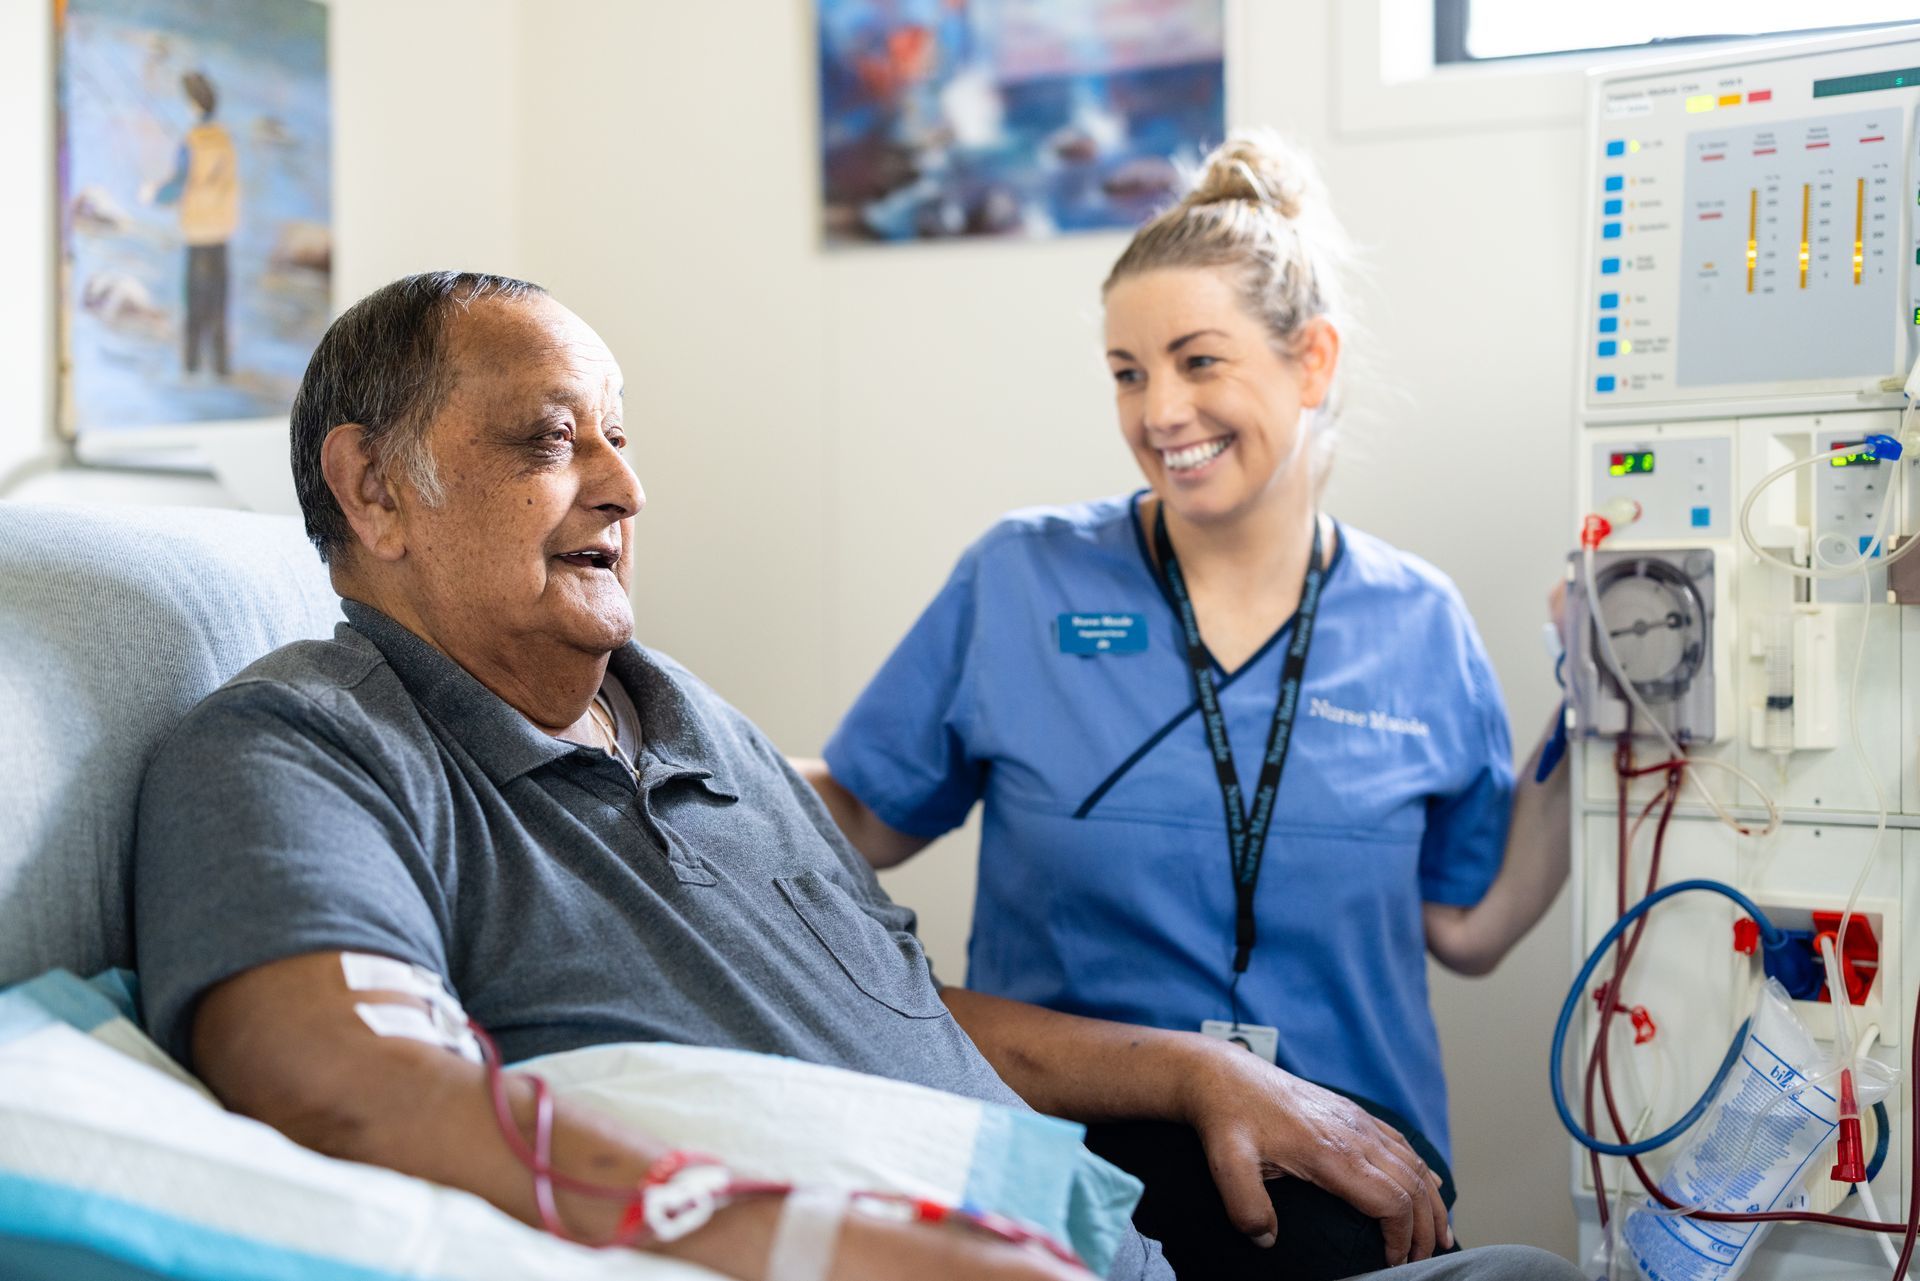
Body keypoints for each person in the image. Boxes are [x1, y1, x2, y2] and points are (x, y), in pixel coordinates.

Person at [131, 271, 1579, 1281]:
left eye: (622, 440)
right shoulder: (309, 746)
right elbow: (345, 1083)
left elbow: (897, 1008)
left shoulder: (691, 722)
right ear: (374, 488)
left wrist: (1190, 1067)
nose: (625, 489)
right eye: (552, 442)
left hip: (1107, 1232)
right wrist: (788, 1235)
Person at [800, 134, 1571, 1279]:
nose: (1160, 411)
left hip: (1346, 1173)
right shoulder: (1024, 580)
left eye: (1198, 362)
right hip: (1070, 1173)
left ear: (1313, 361)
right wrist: (651, 765)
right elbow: (857, 816)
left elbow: (1472, 924)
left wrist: (1599, 713)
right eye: (1127, 371)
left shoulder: (1416, 622)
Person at [143, 70, 237, 377]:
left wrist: (152, 193)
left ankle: (192, 367)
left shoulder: (191, 142)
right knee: (219, 308)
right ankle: (221, 368)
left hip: (197, 236)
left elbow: (178, 186)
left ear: (195, 104)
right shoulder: (225, 141)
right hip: (221, 236)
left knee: (195, 307)